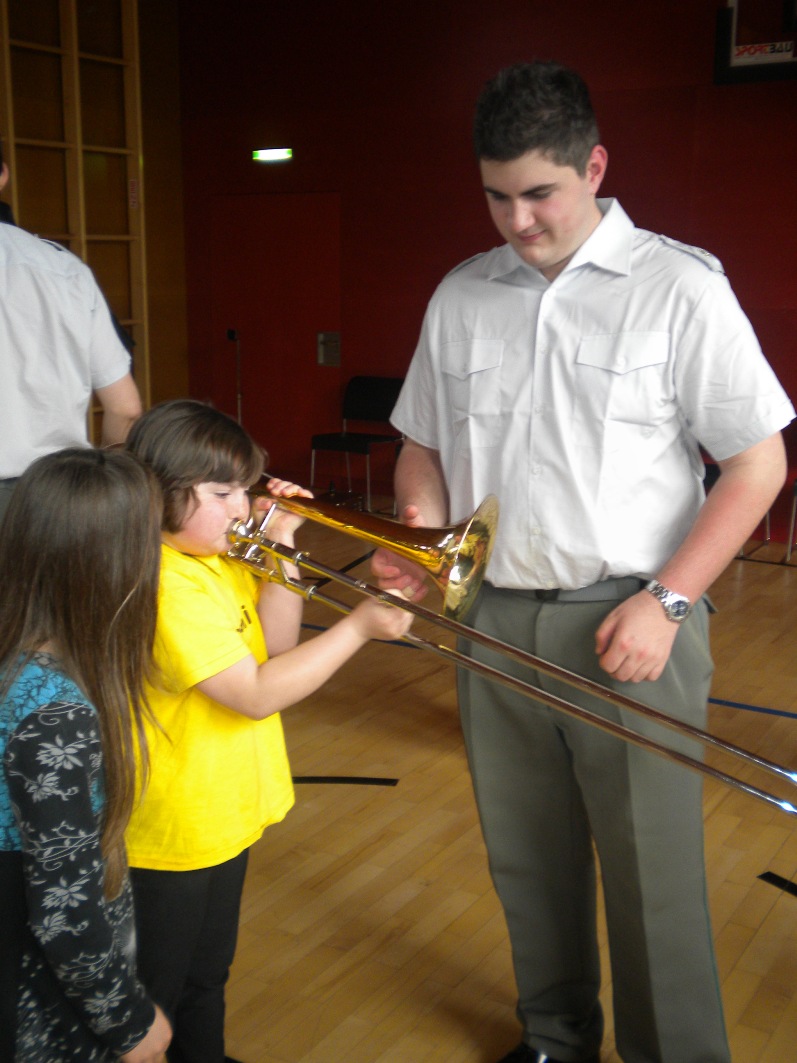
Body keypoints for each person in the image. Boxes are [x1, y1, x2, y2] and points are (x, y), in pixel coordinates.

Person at [375, 61, 794, 1063]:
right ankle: (554, 1038)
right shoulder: (461, 293)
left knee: (652, 873)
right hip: (490, 615)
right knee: (527, 857)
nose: (516, 220)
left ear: (593, 167)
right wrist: (420, 529)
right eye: (495, 196)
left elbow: (757, 463)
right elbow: (421, 444)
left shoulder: (677, 287)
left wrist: (668, 600)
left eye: (538, 193)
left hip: (631, 619)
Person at [123, 399, 414, 1063]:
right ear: (161, 494)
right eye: (222, 493)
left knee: (207, 976)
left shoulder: (217, 556)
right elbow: (255, 694)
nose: (240, 507)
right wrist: (358, 627)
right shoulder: (165, 584)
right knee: (155, 996)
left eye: (243, 490)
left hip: (222, 811)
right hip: (171, 828)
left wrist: (281, 542)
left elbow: (277, 648)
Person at [0, 448, 172, 1062]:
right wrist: (131, 1024)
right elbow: (63, 912)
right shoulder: (55, 716)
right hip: (46, 1007)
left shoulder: (23, 659)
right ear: (113, 566)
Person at [0, 135, 142, 523]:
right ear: (3, 176)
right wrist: (106, 489)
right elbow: (125, 410)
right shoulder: (64, 269)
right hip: (57, 498)